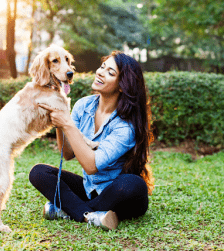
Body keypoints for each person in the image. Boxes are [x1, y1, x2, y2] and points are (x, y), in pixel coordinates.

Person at [29, 51, 154, 230]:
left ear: (122, 85)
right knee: (39, 172)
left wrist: (67, 123)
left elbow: (91, 166)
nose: (101, 72)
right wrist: (59, 119)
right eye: (102, 67)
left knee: (133, 184)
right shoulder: (83, 106)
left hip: (119, 194)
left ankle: (69, 211)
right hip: (90, 190)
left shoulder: (126, 126)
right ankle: (91, 215)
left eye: (110, 72)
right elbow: (68, 153)